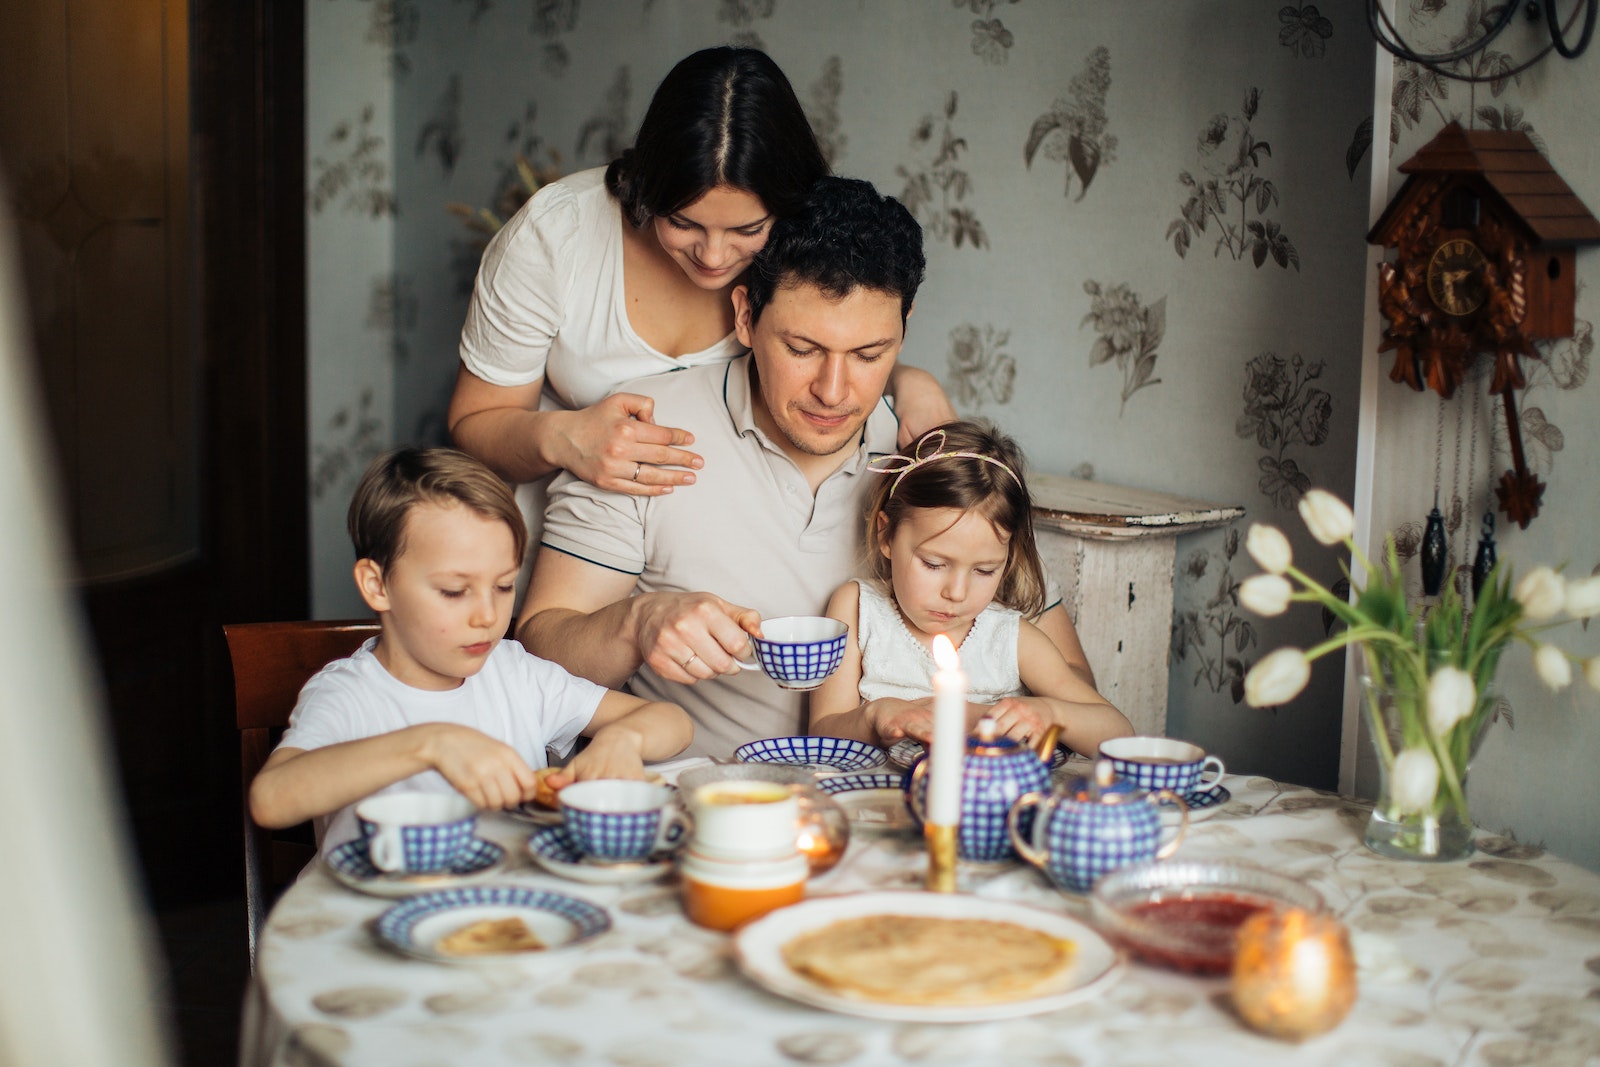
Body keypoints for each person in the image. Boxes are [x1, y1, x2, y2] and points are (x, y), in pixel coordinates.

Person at [517, 176, 1100, 759]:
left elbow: (1075, 686)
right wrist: (637, 623)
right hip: (705, 796)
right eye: (802, 349)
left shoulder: (929, 456)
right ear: (745, 316)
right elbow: (540, 648)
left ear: (904, 329)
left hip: (896, 808)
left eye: (870, 355)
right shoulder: (646, 430)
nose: (834, 391)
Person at [447, 47, 955, 579]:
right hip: (557, 555)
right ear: (647, 188)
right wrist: (563, 438)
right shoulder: (557, 237)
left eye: (745, 230)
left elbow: (827, 336)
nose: (713, 257)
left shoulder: (792, 248)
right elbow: (472, 423)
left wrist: (905, 378)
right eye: (683, 222)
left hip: (708, 559)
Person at [248, 447, 693, 855]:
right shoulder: (351, 695)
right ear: (377, 585)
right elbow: (271, 800)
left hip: (502, 919)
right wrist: (429, 744)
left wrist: (623, 739)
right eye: (455, 591)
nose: (487, 616)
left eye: (503, 587)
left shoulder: (515, 674)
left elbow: (672, 722)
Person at [808, 421, 1132, 755]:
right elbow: (821, 732)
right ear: (886, 535)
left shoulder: (1010, 638)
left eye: (984, 570)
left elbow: (1119, 735)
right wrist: (874, 716)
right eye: (934, 564)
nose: (957, 593)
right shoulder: (858, 609)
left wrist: (1052, 712)